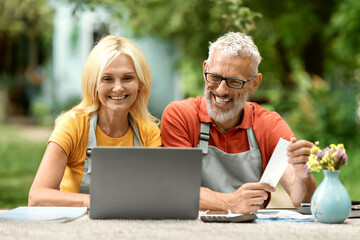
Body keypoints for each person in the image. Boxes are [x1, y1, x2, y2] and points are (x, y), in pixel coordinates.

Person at [161, 32, 317, 213]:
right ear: (205, 70)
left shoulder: (269, 125)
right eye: (215, 77)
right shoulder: (181, 116)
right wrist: (230, 202)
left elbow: (302, 200)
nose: (221, 90)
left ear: (254, 83)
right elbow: (178, 190)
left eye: (234, 82)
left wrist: (302, 174)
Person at [28, 35, 161, 208]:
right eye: (107, 79)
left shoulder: (149, 133)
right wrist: (89, 201)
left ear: (140, 84)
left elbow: (158, 194)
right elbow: (37, 196)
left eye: (127, 78)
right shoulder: (73, 126)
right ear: (94, 84)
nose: (118, 87)